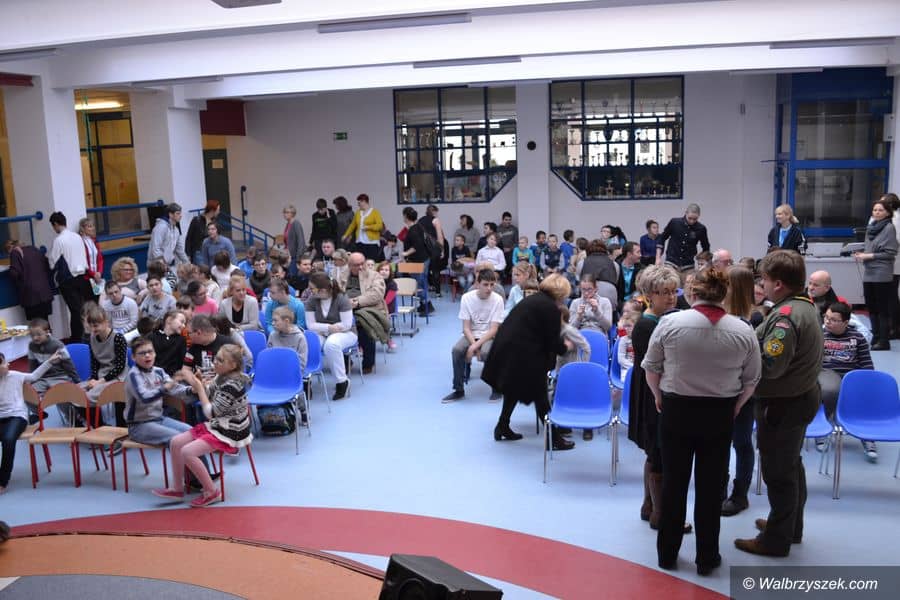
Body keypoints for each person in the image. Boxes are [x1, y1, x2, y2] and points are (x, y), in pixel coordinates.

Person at [643, 267, 760, 575]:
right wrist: (735, 407)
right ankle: (707, 557)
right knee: (711, 487)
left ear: (692, 292)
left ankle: (667, 554)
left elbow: (651, 368)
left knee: (674, 483)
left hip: (676, 409)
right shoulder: (743, 330)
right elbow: (751, 381)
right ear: (725, 293)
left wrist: (658, 396)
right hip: (719, 414)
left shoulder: (670, 323)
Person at [735, 250, 822, 558]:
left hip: (783, 404)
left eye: (765, 280)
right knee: (791, 465)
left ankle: (775, 540)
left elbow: (771, 365)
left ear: (779, 284)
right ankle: (789, 525)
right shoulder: (803, 305)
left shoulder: (786, 316)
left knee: (779, 473)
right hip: (800, 396)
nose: (762, 285)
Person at [152, 344, 251, 507]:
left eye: (220, 360)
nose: (215, 362)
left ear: (232, 365)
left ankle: (212, 492)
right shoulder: (221, 377)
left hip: (231, 431)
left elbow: (211, 412)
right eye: (216, 358)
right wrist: (199, 384)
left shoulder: (233, 386)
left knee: (187, 452)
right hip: (219, 424)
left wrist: (199, 388)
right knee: (175, 442)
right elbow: (209, 392)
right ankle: (177, 489)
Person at [483, 274, 574, 450]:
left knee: (513, 390)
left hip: (509, 349)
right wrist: (566, 346)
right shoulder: (550, 308)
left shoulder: (534, 300)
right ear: (561, 293)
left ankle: (502, 426)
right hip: (522, 355)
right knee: (541, 398)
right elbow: (552, 342)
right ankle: (554, 439)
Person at [628, 264, 681, 530]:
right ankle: (662, 515)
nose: (671, 297)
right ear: (649, 295)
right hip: (653, 394)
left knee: (655, 453)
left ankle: (649, 506)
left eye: (673, 292)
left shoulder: (660, 320)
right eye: (664, 292)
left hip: (653, 390)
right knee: (658, 452)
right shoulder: (647, 325)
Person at [721, 266, 760, 517]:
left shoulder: (754, 318)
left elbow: (753, 365)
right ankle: (719, 489)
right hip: (720, 391)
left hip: (743, 392)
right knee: (720, 443)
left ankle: (740, 493)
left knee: (742, 443)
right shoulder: (721, 315)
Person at [0, 348, 63, 493]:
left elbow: (34, 376)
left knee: (8, 439)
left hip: (17, 416)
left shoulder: (15, 376)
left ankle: (3, 481)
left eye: (4, 362)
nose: (7, 364)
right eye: (3, 363)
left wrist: (49, 361)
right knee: (6, 437)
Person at [818, 301, 876, 459]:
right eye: (826, 317)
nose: (828, 322)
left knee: (865, 395)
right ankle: (822, 430)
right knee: (828, 390)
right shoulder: (819, 336)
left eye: (833, 320)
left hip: (851, 376)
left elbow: (866, 364)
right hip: (827, 373)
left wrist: (867, 384)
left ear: (845, 322)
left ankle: (867, 436)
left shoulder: (857, 338)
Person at [442, 269, 505, 404]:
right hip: (472, 334)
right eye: (485, 284)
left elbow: (494, 330)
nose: (489, 288)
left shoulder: (498, 300)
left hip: (489, 335)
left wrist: (473, 347)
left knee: (487, 353)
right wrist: (474, 346)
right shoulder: (466, 298)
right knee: (457, 350)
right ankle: (458, 389)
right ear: (477, 284)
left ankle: (496, 388)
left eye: (492, 285)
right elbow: (466, 328)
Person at [853, 198, 898, 350]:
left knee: (881, 308)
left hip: (882, 272)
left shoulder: (889, 228)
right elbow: (869, 248)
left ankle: (884, 340)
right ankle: (876, 336)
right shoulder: (871, 227)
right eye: (875, 210)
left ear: (887, 213)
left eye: (880, 210)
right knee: (871, 307)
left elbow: (890, 253)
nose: (877, 212)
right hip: (869, 271)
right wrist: (862, 254)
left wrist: (869, 256)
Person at [305, 272, 357, 400]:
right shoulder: (311, 300)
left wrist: (327, 328)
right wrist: (328, 327)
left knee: (331, 345)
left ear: (322, 290)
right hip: (323, 332)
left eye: (312, 288)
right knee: (309, 343)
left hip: (346, 333)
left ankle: (342, 382)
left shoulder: (341, 298)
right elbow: (310, 325)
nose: (309, 291)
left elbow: (346, 324)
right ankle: (306, 380)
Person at [336, 252, 388, 375]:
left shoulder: (375, 276)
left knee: (365, 325)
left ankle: (368, 363)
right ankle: (345, 361)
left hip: (368, 309)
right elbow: (335, 293)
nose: (360, 267)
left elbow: (377, 294)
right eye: (356, 265)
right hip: (345, 309)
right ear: (349, 265)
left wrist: (357, 302)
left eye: (362, 264)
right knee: (339, 328)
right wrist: (344, 303)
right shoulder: (342, 276)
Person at [48, 211, 93, 341]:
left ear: (56, 224)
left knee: (75, 310)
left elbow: (52, 262)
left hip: (68, 279)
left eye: (53, 226)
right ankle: (84, 335)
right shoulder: (77, 237)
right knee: (81, 309)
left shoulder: (59, 240)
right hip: (82, 276)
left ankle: (76, 339)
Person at [84, 304, 129, 423]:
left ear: (106, 322)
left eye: (96, 325)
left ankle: (98, 425)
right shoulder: (92, 338)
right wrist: (93, 379)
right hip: (101, 375)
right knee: (75, 393)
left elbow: (120, 367)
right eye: (91, 326)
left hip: (118, 377)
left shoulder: (118, 338)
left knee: (86, 398)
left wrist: (100, 381)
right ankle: (97, 424)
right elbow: (94, 363)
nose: (93, 329)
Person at [4, 239, 53, 321]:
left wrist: (11, 269)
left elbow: (14, 273)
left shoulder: (15, 253)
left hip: (31, 296)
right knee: (44, 321)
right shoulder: (34, 249)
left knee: (36, 324)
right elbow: (47, 264)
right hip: (45, 293)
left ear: (9, 249)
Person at [656, 204, 710, 276]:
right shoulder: (674, 222)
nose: (692, 221)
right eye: (690, 218)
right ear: (686, 213)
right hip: (671, 263)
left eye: (695, 219)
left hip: (688, 265)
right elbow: (662, 238)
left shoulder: (701, 228)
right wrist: (658, 258)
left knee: (689, 283)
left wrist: (703, 262)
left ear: (699, 216)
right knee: (669, 282)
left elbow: (706, 247)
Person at [400, 207, 432, 315]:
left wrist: (405, 253)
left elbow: (416, 246)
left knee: (419, 284)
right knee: (422, 282)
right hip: (424, 258)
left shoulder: (413, 230)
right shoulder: (418, 226)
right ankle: (424, 305)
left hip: (418, 261)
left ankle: (427, 305)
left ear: (406, 217)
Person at [576, 240, 619, 312]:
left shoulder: (582, 263)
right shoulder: (614, 264)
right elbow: (616, 281)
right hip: (610, 296)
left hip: (588, 295)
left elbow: (578, 280)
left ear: (587, 251)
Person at [147, 202, 189, 270]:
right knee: (171, 277)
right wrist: (163, 265)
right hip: (155, 266)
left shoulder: (176, 230)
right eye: (178, 213)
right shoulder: (161, 227)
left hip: (165, 265)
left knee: (174, 278)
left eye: (180, 213)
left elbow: (179, 250)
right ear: (170, 214)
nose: (180, 216)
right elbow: (156, 248)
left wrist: (188, 263)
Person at [342, 194, 383, 260]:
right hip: (360, 241)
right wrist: (346, 235)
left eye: (359, 203)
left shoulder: (375, 212)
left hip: (372, 242)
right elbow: (352, 225)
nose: (358, 205)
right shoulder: (358, 213)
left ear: (364, 201)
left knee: (371, 261)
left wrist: (368, 227)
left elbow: (380, 225)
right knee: (361, 261)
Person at [418, 204, 447, 295]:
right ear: (434, 211)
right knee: (435, 270)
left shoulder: (420, 220)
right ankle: (437, 292)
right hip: (434, 249)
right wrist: (442, 250)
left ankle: (423, 290)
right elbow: (440, 236)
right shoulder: (435, 220)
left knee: (424, 270)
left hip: (423, 249)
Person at [149, 311, 187, 376]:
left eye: (184, 323)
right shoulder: (152, 337)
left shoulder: (181, 340)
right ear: (169, 320)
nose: (184, 326)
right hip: (152, 375)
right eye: (181, 322)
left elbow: (181, 363)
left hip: (171, 377)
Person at [79, 217, 103, 301]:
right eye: (89, 226)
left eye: (93, 226)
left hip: (97, 277)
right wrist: (93, 274)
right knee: (90, 302)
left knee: (98, 300)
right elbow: (82, 262)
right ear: (83, 228)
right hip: (87, 278)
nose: (92, 228)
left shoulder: (94, 241)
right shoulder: (80, 242)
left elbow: (100, 259)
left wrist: (99, 272)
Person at [617, 241, 645, 307]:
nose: (640, 255)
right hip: (618, 304)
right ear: (629, 254)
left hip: (635, 304)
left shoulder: (642, 269)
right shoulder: (616, 267)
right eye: (638, 252)